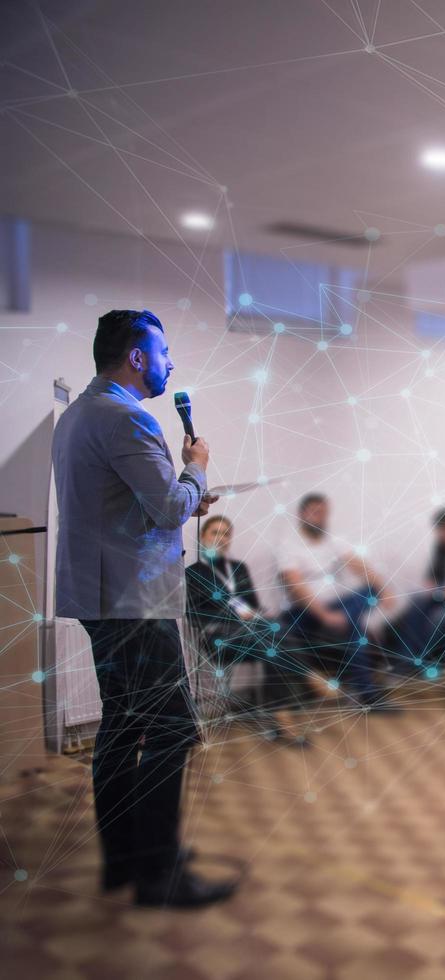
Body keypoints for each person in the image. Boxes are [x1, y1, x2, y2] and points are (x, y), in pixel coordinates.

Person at [51, 309, 235, 908]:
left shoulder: (79, 414)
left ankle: (125, 860)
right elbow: (163, 509)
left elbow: (129, 507)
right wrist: (195, 470)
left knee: (123, 724)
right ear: (136, 356)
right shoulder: (128, 418)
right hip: (133, 601)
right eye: (163, 352)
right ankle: (159, 877)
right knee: (173, 728)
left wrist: (184, 497)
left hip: (100, 594)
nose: (169, 362)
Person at [186, 515, 310, 745]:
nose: (221, 538)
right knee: (276, 639)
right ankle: (306, 678)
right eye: (215, 533)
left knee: (275, 643)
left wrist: (256, 615)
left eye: (226, 534)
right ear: (203, 537)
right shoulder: (194, 573)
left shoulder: (239, 568)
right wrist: (236, 615)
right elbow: (195, 615)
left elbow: (253, 604)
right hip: (220, 639)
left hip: (255, 634)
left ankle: (282, 718)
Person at [277, 493, 393, 706]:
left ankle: (365, 691)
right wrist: (325, 615)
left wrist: (386, 590)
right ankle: (368, 695)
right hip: (307, 614)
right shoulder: (289, 546)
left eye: (323, 513)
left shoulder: (333, 542)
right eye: (315, 512)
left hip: (341, 606)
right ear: (303, 514)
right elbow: (296, 588)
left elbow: (359, 565)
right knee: (355, 629)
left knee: (371, 591)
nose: (320, 517)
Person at [388, 508, 445, 673]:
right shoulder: (442, 545)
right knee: (416, 603)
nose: (443, 537)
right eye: (440, 532)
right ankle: (406, 660)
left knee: (439, 618)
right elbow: (434, 574)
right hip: (444, 594)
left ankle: (426, 662)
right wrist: (431, 585)